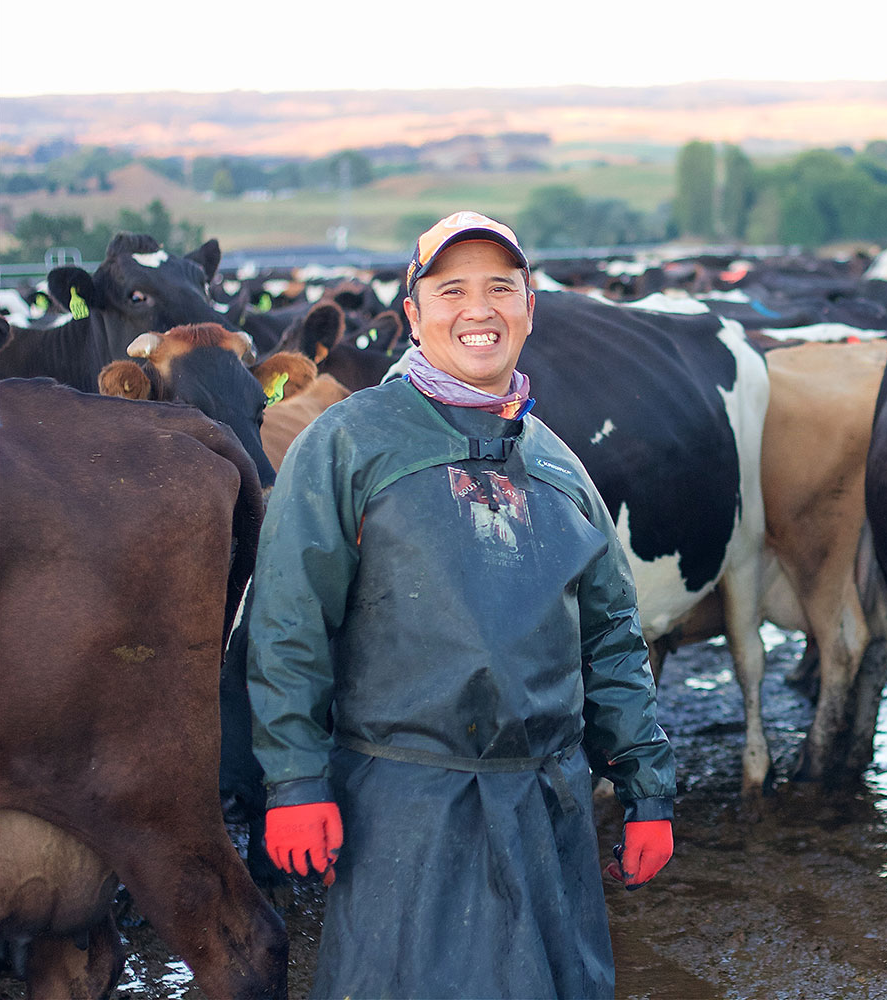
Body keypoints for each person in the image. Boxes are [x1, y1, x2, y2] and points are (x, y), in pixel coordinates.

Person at [246, 210, 675, 999]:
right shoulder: (349, 443)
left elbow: (612, 637)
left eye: (499, 289)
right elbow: (288, 621)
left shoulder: (558, 464)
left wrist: (647, 790)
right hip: (405, 803)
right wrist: (294, 781)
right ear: (413, 313)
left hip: (546, 804)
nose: (479, 310)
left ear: (529, 307)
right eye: (452, 290)